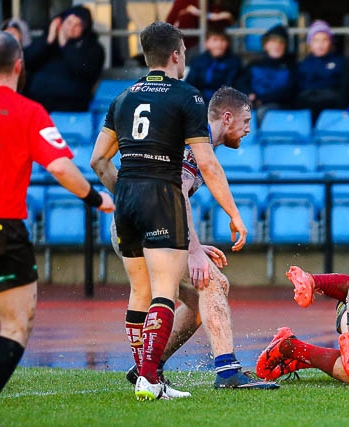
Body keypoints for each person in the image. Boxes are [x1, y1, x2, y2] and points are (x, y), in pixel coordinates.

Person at [0, 31, 114, 426]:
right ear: (19, 65)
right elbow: (57, 166)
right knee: (17, 324)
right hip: (1, 229)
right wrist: (95, 198)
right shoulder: (28, 111)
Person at [112, 87, 278, 390]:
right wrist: (195, 252)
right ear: (227, 117)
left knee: (200, 299)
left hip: (132, 215)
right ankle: (227, 372)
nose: (248, 129)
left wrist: (195, 244)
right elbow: (176, 190)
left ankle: (148, 367)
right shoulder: (194, 143)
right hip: (155, 220)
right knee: (212, 283)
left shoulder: (190, 139)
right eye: (245, 121)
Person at [88, 21, 208, 401]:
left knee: (139, 291)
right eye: (184, 53)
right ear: (176, 55)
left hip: (126, 199)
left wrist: (122, 190)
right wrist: (234, 214)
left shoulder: (121, 97)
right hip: (161, 194)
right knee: (165, 291)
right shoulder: (187, 96)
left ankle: (145, 374)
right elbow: (208, 163)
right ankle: (151, 380)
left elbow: (97, 161)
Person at [24, 5, 105, 112]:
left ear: (85, 28)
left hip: (70, 106)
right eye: (69, 22)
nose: (71, 28)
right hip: (38, 103)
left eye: (78, 25)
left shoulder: (93, 47)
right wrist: (48, 40)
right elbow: (27, 60)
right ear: (60, 23)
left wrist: (65, 45)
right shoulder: (46, 42)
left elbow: (83, 70)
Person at [236, 24, 297, 122]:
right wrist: (249, 94)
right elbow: (241, 83)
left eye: (281, 43)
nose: (277, 46)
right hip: (252, 103)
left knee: (262, 113)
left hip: (278, 106)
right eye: (273, 42)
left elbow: (289, 91)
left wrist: (262, 99)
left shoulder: (291, 66)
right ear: (265, 45)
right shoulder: (254, 64)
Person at [294, 19, 346, 121]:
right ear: (310, 43)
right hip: (308, 105)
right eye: (316, 40)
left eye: (324, 40)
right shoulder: (304, 64)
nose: (320, 44)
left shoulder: (340, 62)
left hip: (331, 106)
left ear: (330, 43)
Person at [185, 28, 242, 102]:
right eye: (215, 40)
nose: (219, 44)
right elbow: (190, 85)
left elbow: (232, 86)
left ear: (227, 43)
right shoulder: (198, 61)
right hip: (200, 101)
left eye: (223, 40)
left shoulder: (234, 62)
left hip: (225, 102)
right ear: (207, 43)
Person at [166, 0, 235, 51]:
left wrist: (209, 15)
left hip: (208, 44)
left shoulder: (214, 4)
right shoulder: (183, 2)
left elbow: (227, 19)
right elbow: (170, 23)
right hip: (183, 44)